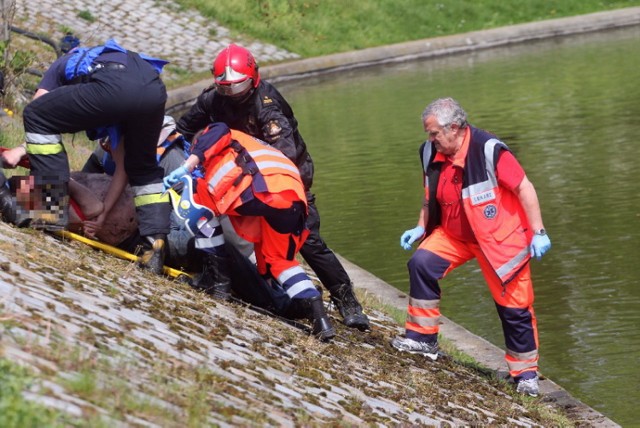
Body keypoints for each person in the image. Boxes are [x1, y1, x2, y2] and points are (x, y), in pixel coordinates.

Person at [175, 44, 370, 331]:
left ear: (252, 78)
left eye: (237, 86)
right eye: (225, 87)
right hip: (243, 180)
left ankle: (346, 300)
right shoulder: (212, 100)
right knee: (251, 237)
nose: (232, 93)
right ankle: (267, 291)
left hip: (285, 177)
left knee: (308, 239)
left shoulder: (267, 106)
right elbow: (185, 128)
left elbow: (286, 153)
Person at [391, 98, 551, 397]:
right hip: (454, 236)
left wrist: (539, 231)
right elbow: (430, 196)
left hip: (499, 241)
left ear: (454, 128)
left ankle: (525, 374)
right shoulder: (429, 152)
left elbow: (524, 187)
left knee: (514, 308)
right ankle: (423, 339)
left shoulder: (489, 150)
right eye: (428, 133)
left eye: (434, 133)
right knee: (421, 264)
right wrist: (421, 226)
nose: (430, 139)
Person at [0, 38, 171, 275]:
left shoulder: (62, 65)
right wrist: (103, 214)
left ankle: (51, 210)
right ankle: (155, 248)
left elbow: (40, 110)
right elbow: (124, 167)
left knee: (35, 115)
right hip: (155, 92)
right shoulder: (119, 76)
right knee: (143, 169)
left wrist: (18, 150)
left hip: (117, 84)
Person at [164, 122, 336, 341]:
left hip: (257, 188)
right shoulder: (256, 146)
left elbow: (219, 131)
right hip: (291, 198)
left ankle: (219, 282)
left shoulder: (218, 133)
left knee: (200, 204)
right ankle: (318, 315)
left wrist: (189, 165)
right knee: (280, 261)